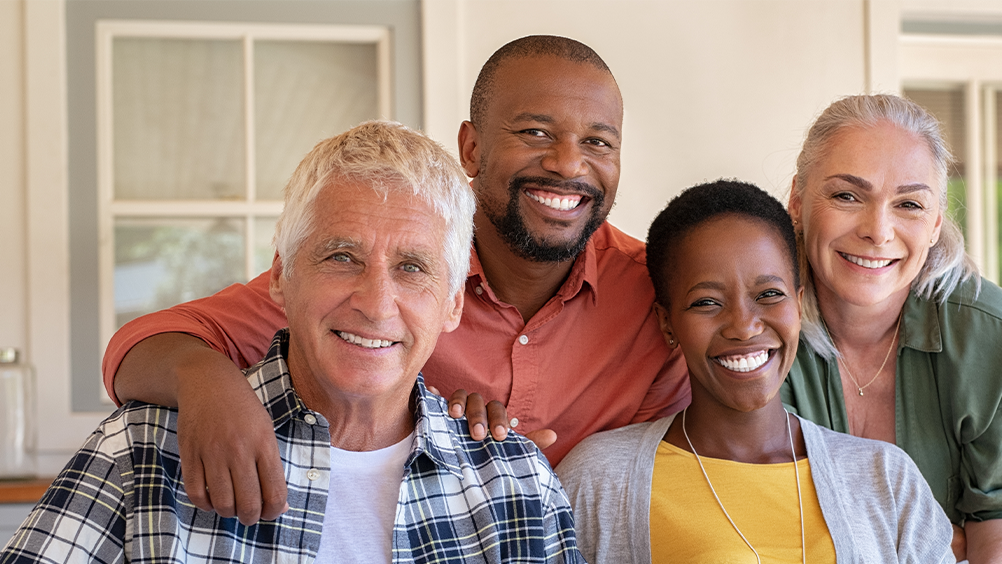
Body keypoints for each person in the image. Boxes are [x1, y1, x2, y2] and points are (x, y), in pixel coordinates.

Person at [0, 121, 622, 564]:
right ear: (280, 278)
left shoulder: (512, 483)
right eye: (341, 257)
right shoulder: (143, 451)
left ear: (453, 301)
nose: (376, 303)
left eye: (412, 267)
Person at [99, 35, 689, 524]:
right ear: (473, 147)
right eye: (535, 133)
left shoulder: (654, 295)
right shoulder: (376, 272)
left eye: (597, 142)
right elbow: (145, 344)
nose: (567, 162)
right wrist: (210, 385)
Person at [557, 180, 970, 564]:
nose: (744, 325)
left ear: (797, 302)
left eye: (769, 294)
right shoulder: (602, 480)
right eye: (706, 302)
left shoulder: (886, 479)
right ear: (667, 322)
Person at [780, 94, 1002, 564]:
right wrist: (935, 538)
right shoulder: (757, 324)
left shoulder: (991, 335)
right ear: (799, 203)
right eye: (847, 195)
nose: (878, 230)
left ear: (935, 224)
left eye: (908, 204)